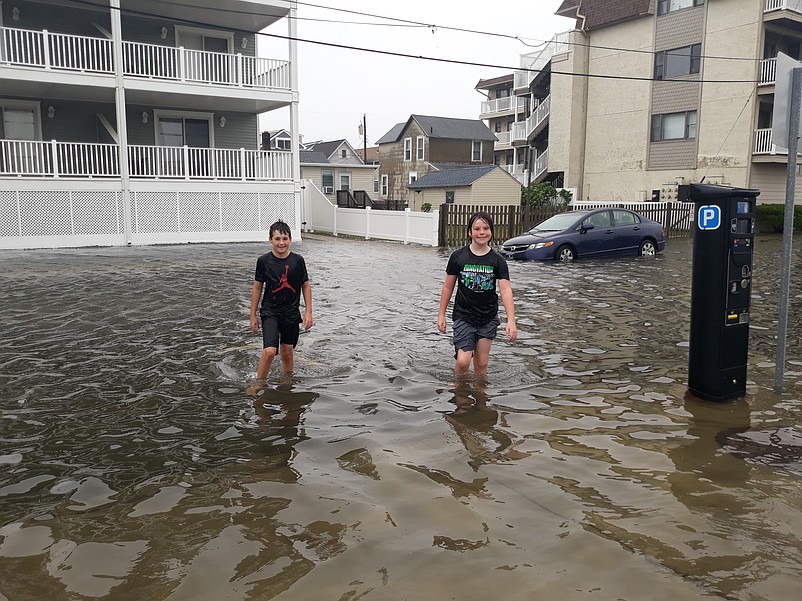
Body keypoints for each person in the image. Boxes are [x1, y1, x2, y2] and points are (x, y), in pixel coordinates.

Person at [437, 211, 517, 376]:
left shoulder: (498, 260)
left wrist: (511, 320)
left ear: (491, 232)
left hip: (488, 317)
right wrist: (441, 314)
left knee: (481, 363)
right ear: (470, 232)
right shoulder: (458, 257)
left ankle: (481, 396)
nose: (482, 232)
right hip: (463, 316)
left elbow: (506, 289)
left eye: (486, 228)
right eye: (477, 228)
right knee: (463, 361)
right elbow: (447, 287)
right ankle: (459, 390)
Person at [250, 220, 313, 384]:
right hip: (270, 312)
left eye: (284, 239)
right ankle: (259, 384)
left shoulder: (298, 261)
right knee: (270, 351)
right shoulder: (263, 261)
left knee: (287, 351)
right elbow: (257, 288)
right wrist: (253, 316)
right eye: (277, 239)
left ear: (290, 239)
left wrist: (308, 312)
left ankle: (286, 383)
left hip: (291, 313)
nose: (281, 243)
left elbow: (305, 285)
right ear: (270, 240)